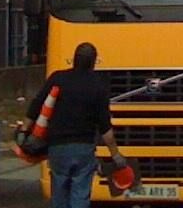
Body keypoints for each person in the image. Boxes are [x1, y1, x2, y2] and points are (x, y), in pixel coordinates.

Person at [23, 42, 127, 208]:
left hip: (58, 147)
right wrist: (115, 154)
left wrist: (24, 131)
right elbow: (105, 127)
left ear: (74, 60)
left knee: (59, 191)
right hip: (83, 148)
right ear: (93, 62)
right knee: (80, 193)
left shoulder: (58, 78)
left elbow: (37, 105)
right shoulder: (98, 85)